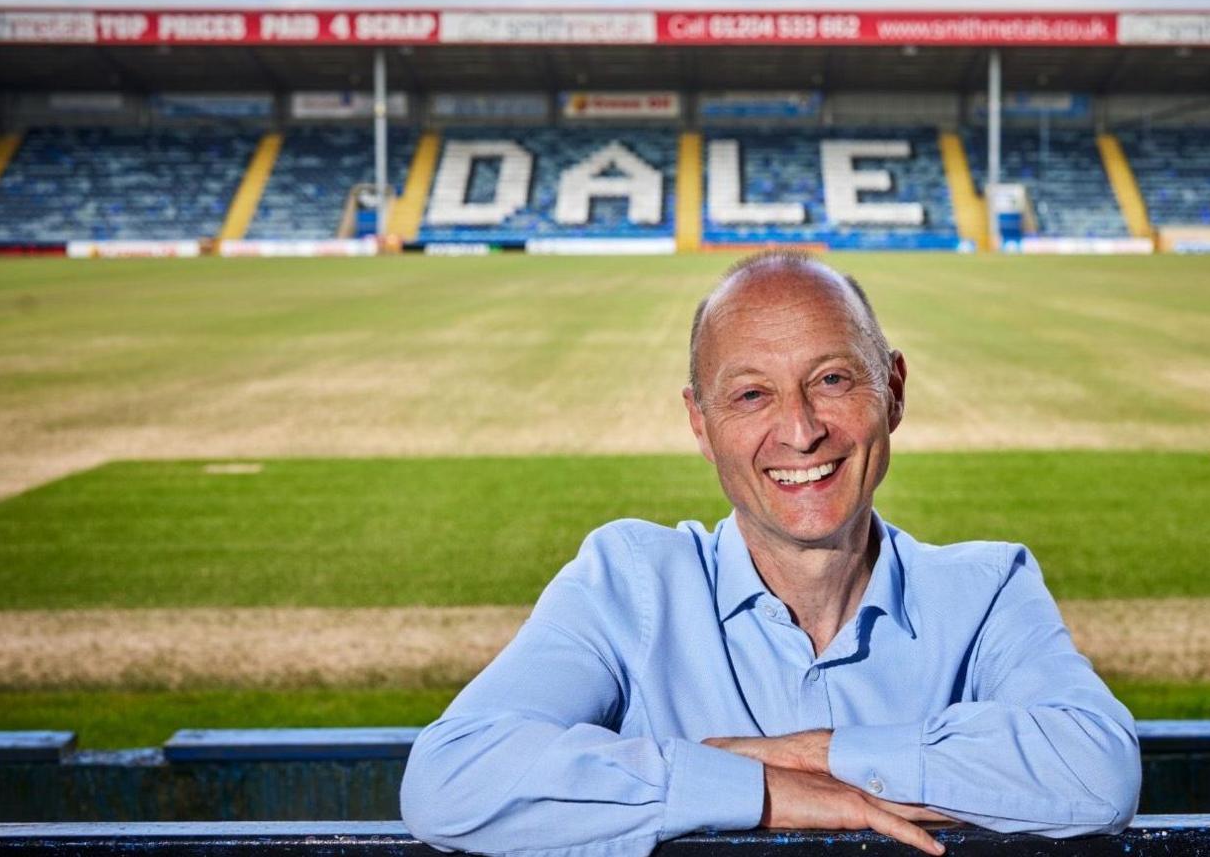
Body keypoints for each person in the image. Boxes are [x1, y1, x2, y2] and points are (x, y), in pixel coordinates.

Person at [401, 251, 1140, 857]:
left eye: (832, 379)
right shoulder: (627, 581)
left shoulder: (986, 590)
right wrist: (761, 793)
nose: (800, 430)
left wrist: (816, 753)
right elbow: (451, 781)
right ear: (700, 422)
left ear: (894, 391)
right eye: (751, 395)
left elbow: (1096, 771)